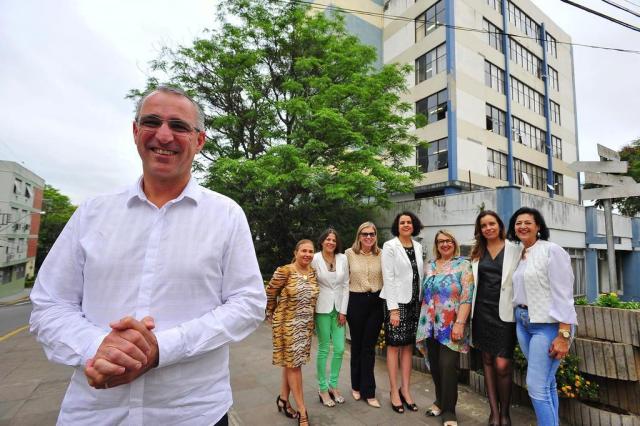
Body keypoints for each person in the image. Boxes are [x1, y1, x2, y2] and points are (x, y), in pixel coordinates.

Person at [29, 86, 267, 425]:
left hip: (192, 413)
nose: (164, 135)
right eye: (152, 122)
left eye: (179, 126)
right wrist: (100, 349)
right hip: (95, 412)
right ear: (135, 131)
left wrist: (161, 348)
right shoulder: (93, 213)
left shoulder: (226, 215)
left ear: (199, 141)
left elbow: (247, 303)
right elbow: (49, 303)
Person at [507, 207, 576, 426]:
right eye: (518, 223)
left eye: (528, 222)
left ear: (538, 227)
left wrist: (564, 335)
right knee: (546, 384)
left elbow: (564, 293)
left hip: (548, 326)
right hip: (524, 322)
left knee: (536, 386)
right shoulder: (519, 253)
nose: (522, 226)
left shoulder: (551, 250)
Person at [470, 211, 523, 426]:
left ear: (499, 225)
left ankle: (506, 412)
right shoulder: (476, 252)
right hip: (481, 312)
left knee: (502, 365)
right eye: (483, 225)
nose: (488, 228)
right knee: (488, 361)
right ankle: (494, 412)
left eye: (492, 223)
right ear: (480, 230)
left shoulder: (516, 249)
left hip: (505, 314)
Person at [416, 230, 474, 426]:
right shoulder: (430, 265)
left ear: (454, 243)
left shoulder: (463, 265)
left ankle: (449, 411)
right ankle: (439, 401)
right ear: (436, 245)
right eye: (441, 241)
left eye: (448, 241)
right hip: (429, 323)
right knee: (434, 364)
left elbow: (467, 296)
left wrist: (460, 323)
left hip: (451, 324)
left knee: (448, 366)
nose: (445, 244)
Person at [266, 239, 319, 426]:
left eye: (311, 251)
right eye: (303, 250)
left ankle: (283, 399)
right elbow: (270, 292)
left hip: (304, 327)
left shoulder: (312, 273)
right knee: (294, 366)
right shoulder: (285, 271)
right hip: (286, 325)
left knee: (291, 365)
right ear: (296, 252)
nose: (307, 254)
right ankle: (302, 410)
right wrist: (270, 312)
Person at [380, 211, 424, 414]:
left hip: (414, 303)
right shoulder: (390, 246)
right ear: (397, 226)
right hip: (396, 303)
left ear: (414, 225)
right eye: (402, 222)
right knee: (394, 346)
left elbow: (418, 276)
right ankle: (393, 391)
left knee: (408, 347)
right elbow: (388, 278)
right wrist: (394, 309)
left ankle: (405, 390)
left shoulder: (418, 246)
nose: (406, 225)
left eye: (409, 222)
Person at [345, 221, 384, 408]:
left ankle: (369, 391)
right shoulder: (348, 254)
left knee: (369, 348)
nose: (368, 237)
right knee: (357, 346)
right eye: (365, 234)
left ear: (376, 236)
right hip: (356, 302)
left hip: (376, 303)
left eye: (372, 234)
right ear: (359, 236)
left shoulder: (382, 254)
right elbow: (343, 281)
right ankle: (356, 385)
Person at [311, 229, 349, 407]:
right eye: (328, 239)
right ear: (322, 241)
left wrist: (344, 311)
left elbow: (346, 285)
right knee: (324, 348)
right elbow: (309, 281)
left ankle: (333, 385)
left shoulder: (342, 258)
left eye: (334, 239)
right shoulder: (315, 258)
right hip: (322, 308)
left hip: (339, 309)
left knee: (340, 349)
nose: (331, 242)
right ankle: (323, 388)